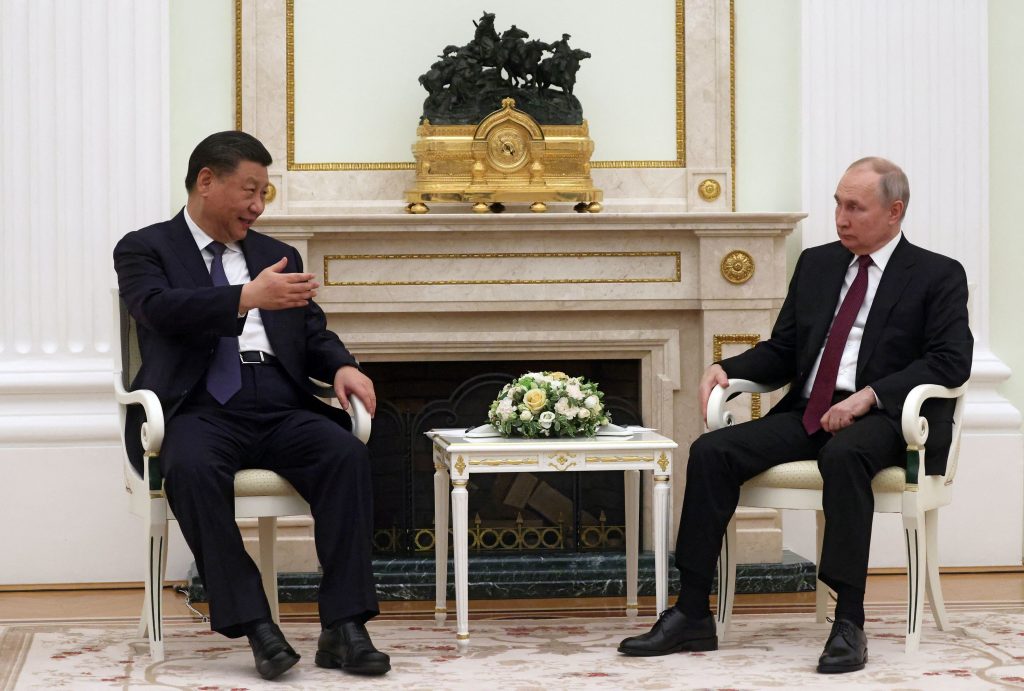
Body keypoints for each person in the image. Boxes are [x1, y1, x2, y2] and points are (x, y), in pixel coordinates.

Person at [617, 157, 973, 673]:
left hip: (888, 420)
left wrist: (870, 396)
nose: (841, 218)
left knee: (845, 455)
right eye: (838, 204)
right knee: (712, 451)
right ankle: (691, 611)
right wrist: (727, 368)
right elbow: (784, 350)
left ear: (895, 212)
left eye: (856, 207)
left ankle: (848, 622)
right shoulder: (817, 264)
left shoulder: (937, 274)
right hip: (812, 411)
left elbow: (949, 361)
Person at [114, 131, 390, 680]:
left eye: (265, 193)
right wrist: (245, 298)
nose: (258, 205)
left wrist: (342, 365)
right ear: (206, 181)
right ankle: (256, 625)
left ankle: (345, 626)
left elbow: (311, 331)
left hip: (281, 402)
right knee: (191, 469)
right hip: (196, 407)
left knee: (345, 455)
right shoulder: (145, 247)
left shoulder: (273, 254)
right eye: (250, 190)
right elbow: (159, 309)